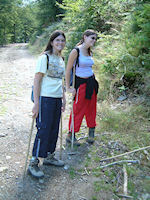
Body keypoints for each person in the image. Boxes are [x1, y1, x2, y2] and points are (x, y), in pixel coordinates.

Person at [28, 30, 66, 178]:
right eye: (57, 40)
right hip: (45, 98)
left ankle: (49, 156)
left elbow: (60, 81)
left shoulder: (61, 59)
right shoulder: (44, 58)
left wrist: (63, 99)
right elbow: (37, 80)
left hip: (56, 99)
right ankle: (34, 162)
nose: (60, 43)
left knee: (54, 129)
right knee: (43, 129)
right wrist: (36, 103)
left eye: (62, 41)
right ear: (51, 42)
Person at [65, 29, 99, 146]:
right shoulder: (76, 51)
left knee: (91, 108)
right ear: (85, 37)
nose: (94, 41)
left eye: (95, 39)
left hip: (91, 83)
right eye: (92, 38)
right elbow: (68, 70)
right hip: (80, 84)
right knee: (78, 109)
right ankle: (71, 135)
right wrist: (68, 87)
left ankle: (91, 132)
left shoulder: (90, 52)